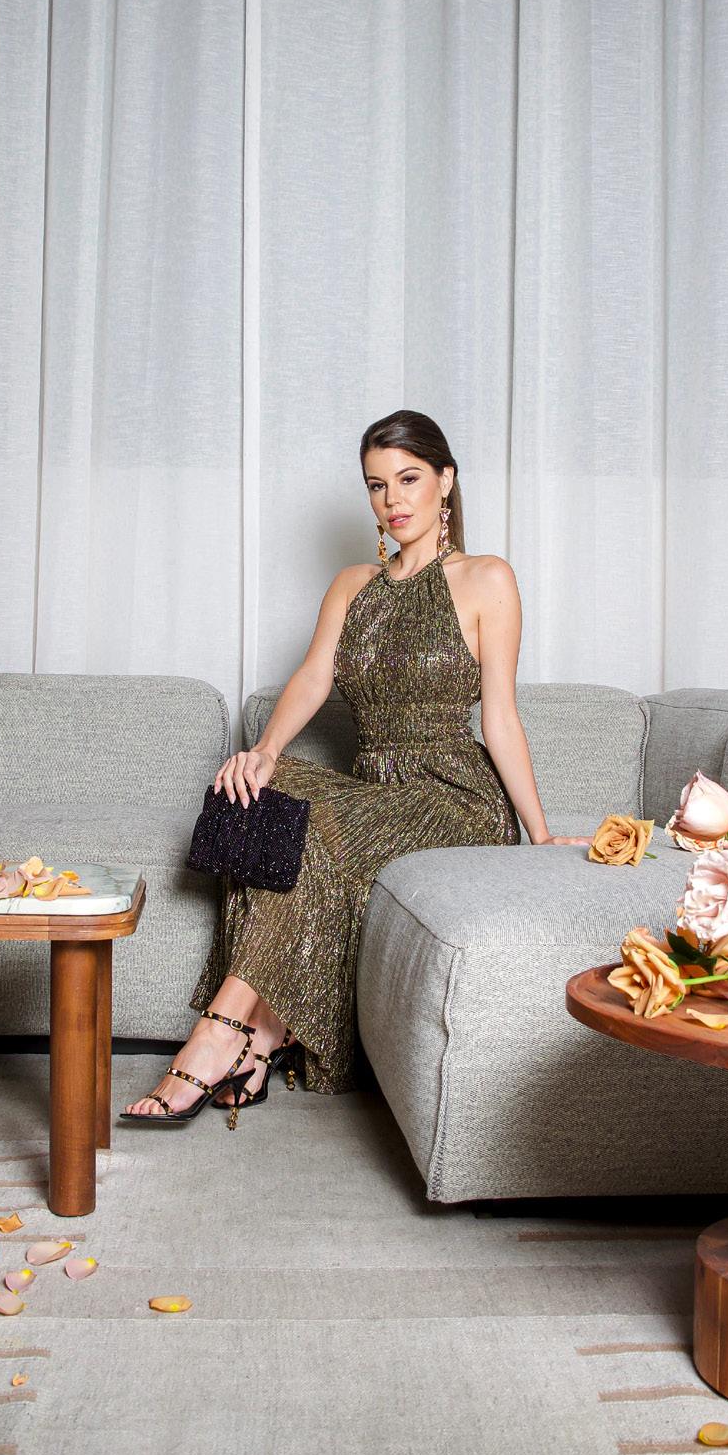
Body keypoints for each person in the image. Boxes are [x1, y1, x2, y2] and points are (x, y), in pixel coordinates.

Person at [122, 409, 595, 1124]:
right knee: (257, 792)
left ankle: (220, 1035)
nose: (392, 500)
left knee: (313, 825)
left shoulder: (486, 578)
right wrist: (263, 751)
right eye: (377, 485)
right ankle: (262, 1036)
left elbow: (500, 717)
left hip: (453, 797)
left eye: (409, 479)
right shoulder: (352, 585)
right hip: (373, 787)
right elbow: (315, 677)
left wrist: (540, 833)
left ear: (445, 481)